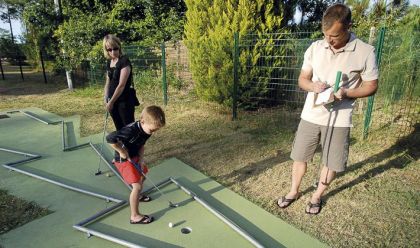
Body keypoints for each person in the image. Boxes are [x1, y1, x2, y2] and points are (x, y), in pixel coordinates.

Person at [277, 3, 378, 215]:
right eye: (325, 34)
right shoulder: (315, 47)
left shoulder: (365, 51)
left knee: (331, 161)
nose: (328, 40)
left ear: (349, 26)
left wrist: (346, 93)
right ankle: (293, 191)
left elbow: (371, 85)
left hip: (339, 118)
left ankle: (316, 196)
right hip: (311, 114)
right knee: (299, 156)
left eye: (334, 35)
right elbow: (303, 79)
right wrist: (313, 86)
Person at [106, 105, 166, 224]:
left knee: (142, 176)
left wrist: (141, 158)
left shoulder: (147, 129)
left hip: (135, 156)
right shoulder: (130, 131)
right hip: (123, 160)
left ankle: (137, 196)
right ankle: (134, 216)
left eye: (156, 130)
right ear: (142, 121)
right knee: (137, 186)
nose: (153, 132)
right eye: (153, 130)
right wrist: (122, 151)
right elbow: (110, 138)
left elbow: (141, 144)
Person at [103, 34, 139, 131]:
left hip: (124, 101)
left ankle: (134, 146)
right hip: (112, 101)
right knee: (119, 128)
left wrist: (111, 102)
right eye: (109, 49)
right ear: (106, 50)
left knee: (128, 128)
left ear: (119, 47)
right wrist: (106, 97)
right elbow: (108, 82)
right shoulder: (109, 62)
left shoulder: (124, 61)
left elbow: (121, 85)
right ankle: (124, 146)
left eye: (115, 48)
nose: (113, 52)